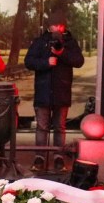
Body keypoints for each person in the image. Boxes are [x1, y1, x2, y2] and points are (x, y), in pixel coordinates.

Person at [24, 10, 84, 173]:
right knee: (42, 126)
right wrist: (46, 62)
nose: (56, 28)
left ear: (63, 25)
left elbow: (79, 61)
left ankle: (59, 157)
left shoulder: (70, 42)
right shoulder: (40, 41)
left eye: (58, 25)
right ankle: (40, 157)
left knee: (60, 127)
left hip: (61, 91)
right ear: (49, 26)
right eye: (53, 25)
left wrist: (61, 53)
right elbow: (28, 61)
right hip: (43, 91)